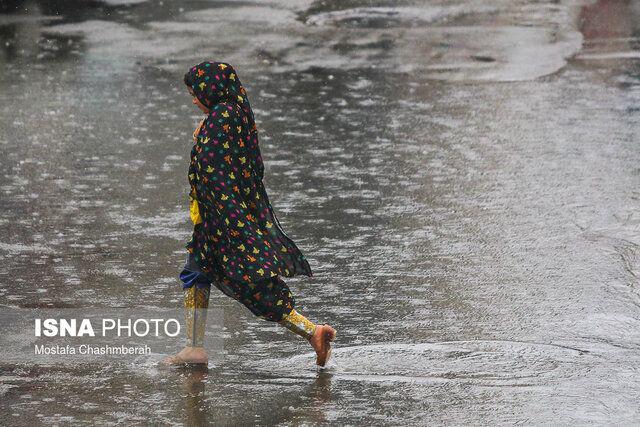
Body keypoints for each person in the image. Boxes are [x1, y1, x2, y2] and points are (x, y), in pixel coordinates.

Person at [162, 61, 336, 367]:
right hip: (225, 216)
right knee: (197, 273)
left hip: (223, 220)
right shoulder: (237, 113)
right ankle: (194, 347)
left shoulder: (221, 117)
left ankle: (312, 332)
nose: (193, 100)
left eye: (194, 92)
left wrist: (219, 217)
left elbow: (211, 169)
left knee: (251, 284)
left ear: (210, 89)